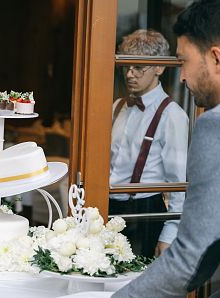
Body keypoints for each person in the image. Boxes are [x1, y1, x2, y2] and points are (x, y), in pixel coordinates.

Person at [114, 0, 220, 296]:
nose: (182, 76)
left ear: (215, 59)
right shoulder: (118, 107)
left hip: (146, 214)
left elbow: (192, 256)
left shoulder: (210, 124)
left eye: (183, 61)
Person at [110, 29, 189, 258]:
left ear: (159, 68)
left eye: (138, 68)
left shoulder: (172, 115)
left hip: (145, 213)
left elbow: (178, 185)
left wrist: (169, 235)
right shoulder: (117, 106)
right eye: (126, 66)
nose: (130, 75)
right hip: (108, 209)